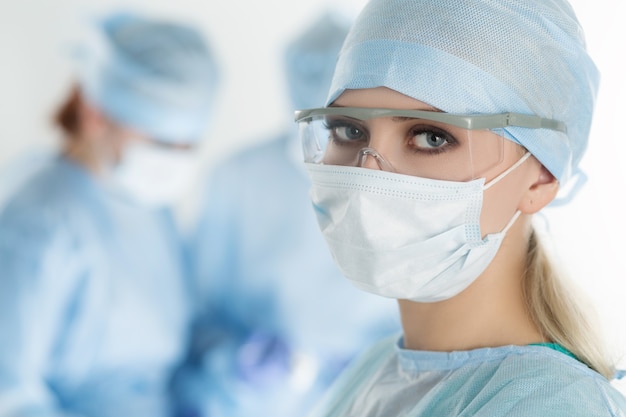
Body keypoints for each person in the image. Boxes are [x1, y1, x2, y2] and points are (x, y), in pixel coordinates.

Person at [292, 0, 626, 415]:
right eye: (349, 129)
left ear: (542, 176)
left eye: (431, 137)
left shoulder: (550, 406)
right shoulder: (376, 369)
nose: (370, 174)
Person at [171, 10, 400, 417]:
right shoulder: (238, 177)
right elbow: (197, 309)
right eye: (321, 125)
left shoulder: (398, 184)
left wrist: (374, 372)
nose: (329, 146)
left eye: (347, 128)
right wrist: (236, 361)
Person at [0, 11, 218, 417]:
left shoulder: (150, 207)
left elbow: (164, 349)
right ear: (95, 115)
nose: (175, 160)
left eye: (189, 145)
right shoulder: (38, 218)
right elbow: (9, 389)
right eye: (161, 141)